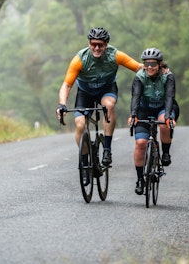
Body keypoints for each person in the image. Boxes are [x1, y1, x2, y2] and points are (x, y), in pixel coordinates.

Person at [57, 27, 143, 166]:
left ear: (106, 44)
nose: (96, 48)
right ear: (89, 43)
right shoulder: (80, 59)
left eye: (100, 45)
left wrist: (158, 67)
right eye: (93, 44)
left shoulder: (115, 55)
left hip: (106, 89)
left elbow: (139, 68)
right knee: (80, 125)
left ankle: (107, 149)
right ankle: (85, 161)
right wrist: (62, 104)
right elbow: (67, 85)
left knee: (108, 106)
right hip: (85, 93)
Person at [128, 47, 179, 195]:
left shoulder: (167, 76)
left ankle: (166, 153)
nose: (150, 67)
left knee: (163, 123)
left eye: (153, 64)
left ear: (159, 64)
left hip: (164, 108)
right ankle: (139, 179)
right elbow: (135, 96)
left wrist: (169, 116)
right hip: (144, 109)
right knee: (140, 143)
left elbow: (170, 96)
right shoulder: (140, 76)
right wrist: (133, 114)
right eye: (147, 64)